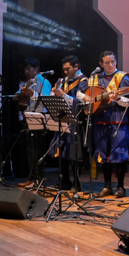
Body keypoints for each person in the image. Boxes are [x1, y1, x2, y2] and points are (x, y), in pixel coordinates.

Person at [88, 50, 129, 198]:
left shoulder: (123, 78)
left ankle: (121, 187)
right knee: (103, 154)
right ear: (101, 64)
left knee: (119, 153)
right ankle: (107, 186)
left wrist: (117, 99)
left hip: (118, 121)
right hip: (100, 121)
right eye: (107, 62)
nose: (110, 65)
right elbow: (85, 96)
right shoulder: (95, 78)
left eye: (112, 62)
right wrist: (86, 99)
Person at [52, 55, 88, 194]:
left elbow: (81, 102)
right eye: (64, 69)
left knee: (75, 152)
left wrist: (63, 95)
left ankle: (77, 183)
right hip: (63, 118)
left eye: (68, 69)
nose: (65, 72)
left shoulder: (84, 81)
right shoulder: (65, 81)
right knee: (62, 150)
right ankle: (64, 181)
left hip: (77, 120)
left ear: (76, 67)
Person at [15, 58, 52, 183]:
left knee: (37, 150)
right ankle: (31, 178)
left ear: (36, 69)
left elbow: (46, 99)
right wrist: (19, 94)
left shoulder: (43, 81)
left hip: (39, 116)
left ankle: (38, 179)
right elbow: (18, 95)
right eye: (25, 69)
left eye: (29, 69)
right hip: (28, 115)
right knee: (30, 149)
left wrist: (32, 93)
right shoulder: (29, 82)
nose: (26, 71)